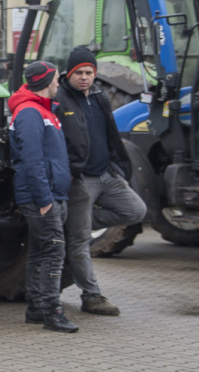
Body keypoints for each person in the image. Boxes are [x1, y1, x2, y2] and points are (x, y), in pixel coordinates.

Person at [57, 46, 147, 317]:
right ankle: (92, 296)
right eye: (79, 73)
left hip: (106, 174)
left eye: (89, 72)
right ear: (69, 73)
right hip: (81, 180)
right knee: (80, 243)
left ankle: (74, 226)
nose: (85, 77)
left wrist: (117, 167)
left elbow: (110, 135)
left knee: (136, 211)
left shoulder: (100, 98)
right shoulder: (60, 99)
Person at [10, 61, 76, 333]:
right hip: (42, 197)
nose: (59, 84)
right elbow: (32, 159)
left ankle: (36, 307)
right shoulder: (29, 112)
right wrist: (44, 199)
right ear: (46, 81)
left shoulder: (43, 110)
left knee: (39, 251)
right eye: (56, 79)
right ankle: (52, 310)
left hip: (50, 194)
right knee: (54, 250)